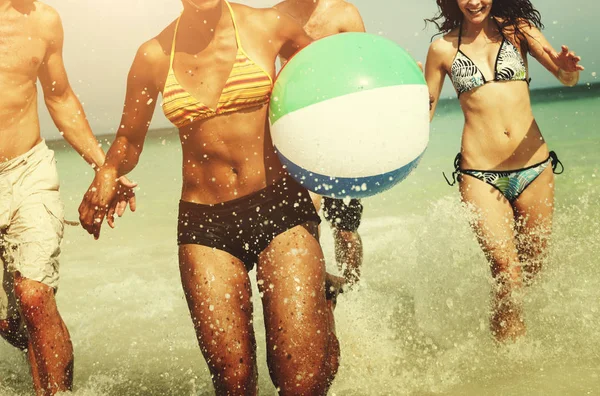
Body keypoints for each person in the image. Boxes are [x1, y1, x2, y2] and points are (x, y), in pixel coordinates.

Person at [78, 1, 339, 394]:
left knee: (300, 381)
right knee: (233, 382)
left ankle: (322, 321)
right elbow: (130, 139)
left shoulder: (270, 26)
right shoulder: (153, 55)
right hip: (205, 225)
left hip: (280, 207)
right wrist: (109, 171)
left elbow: (327, 80)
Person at [425, 0, 583, 342]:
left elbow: (565, 77)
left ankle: (517, 351)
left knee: (531, 272)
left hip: (535, 170)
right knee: (506, 272)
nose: (473, 1)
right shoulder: (441, 48)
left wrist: (568, 69)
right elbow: (425, 112)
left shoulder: (519, 30)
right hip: (480, 175)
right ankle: (509, 360)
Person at [0, 0, 135, 394]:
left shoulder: (44, 20)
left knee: (35, 294)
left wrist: (103, 167)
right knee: (15, 324)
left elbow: (59, 97)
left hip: (29, 170)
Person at [274, 0, 366, 287]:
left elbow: (367, 65)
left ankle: (351, 288)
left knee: (345, 229)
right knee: (306, 214)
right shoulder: (276, 16)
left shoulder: (344, 13)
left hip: (340, 132)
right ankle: (316, 284)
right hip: (296, 128)